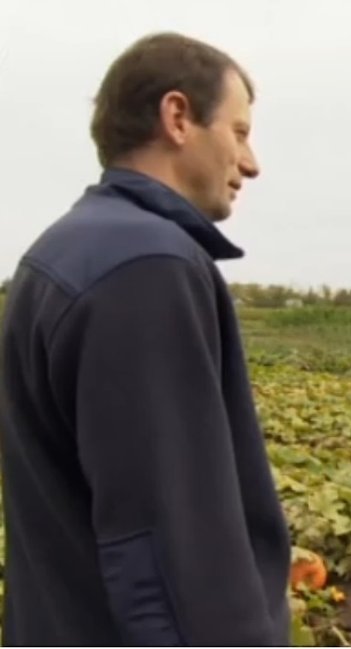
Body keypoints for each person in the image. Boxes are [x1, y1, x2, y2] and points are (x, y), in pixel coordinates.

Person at [0, 33, 291, 645]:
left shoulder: (61, 251)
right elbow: (169, 549)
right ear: (178, 117)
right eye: (238, 133)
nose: (251, 163)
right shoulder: (147, 266)